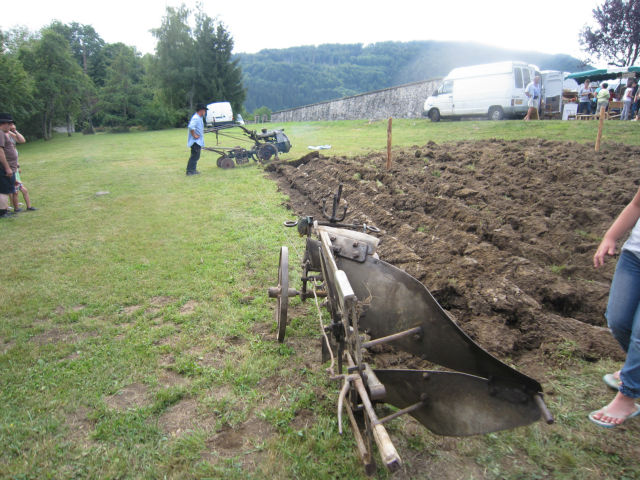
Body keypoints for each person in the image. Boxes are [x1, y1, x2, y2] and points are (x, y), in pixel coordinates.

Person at [590, 186, 640, 428]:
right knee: (618, 320)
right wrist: (610, 237)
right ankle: (635, 368)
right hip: (635, 257)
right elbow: (636, 205)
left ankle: (627, 397)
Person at [7, 123, 35, 212]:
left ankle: (15, 206)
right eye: (10, 124)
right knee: (15, 190)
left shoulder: (11, 135)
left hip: (14, 168)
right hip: (9, 169)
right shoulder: (3, 136)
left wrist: (14, 131)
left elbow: (22, 140)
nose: (12, 125)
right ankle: (14, 207)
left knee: (16, 190)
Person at [0, 113, 17, 218]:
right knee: (4, 191)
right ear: (4, 123)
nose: (10, 126)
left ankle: (5, 210)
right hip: (4, 168)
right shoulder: (0, 133)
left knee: (6, 190)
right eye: (9, 123)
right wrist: (7, 168)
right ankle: (3, 212)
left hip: (8, 167)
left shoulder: (2, 133)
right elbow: (0, 151)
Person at [186, 103, 207, 176]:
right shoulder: (196, 118)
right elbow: (191, 127)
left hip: (198, 141)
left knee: (196, 156)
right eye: (204, 110)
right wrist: (194, 135)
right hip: (195, 141)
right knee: (194, 156)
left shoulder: (199, 118)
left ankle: (193, 170)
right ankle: (189, 171)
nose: (205, 112)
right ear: (201, 110)